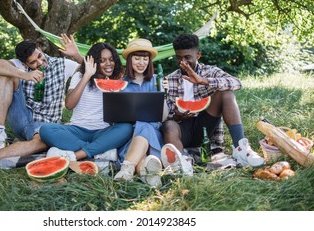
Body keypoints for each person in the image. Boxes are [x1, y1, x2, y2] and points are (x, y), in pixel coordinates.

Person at [0, 34, 84, 172]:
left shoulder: (62, 64)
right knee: (6, 75)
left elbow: (87, 69)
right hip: (21, 117)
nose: (40, 63)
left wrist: (76, 55)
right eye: (33, 62)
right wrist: (24, 74)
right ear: (24, 64)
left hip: (46, 124)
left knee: (41, 142)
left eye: (40, 56)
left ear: (41, 49)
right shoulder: (20, 66)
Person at [160, 33, 265, 170]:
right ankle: (181, 163)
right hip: (181, 129)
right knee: (168, 125)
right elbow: (165, 113)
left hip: (205, 126)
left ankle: (241, 149)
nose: (183, 63)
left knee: (226, 93)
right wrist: (176, 115)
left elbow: (237, 83)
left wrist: (203, 80)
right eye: (179, 58)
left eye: (187, 57)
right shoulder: (170, 79)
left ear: (198, 55)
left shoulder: (210, 71)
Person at [38, 42, 133, 164]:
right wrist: (87, 76)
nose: (109, 64)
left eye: (111, 59)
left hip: (102, 132)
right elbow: (69, 105)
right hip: (77, 130)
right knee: (46, 130)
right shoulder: (79, 76)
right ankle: (99, 150)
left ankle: (77, 154)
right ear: (94, 62)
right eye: (103, 60)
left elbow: (118, 114)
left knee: (126, 128)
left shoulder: (116, 81)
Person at [113, 39, 168, 188]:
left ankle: (127, 169)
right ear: (130, 60)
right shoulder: (121, 84)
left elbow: (163, 117)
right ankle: (150, 176)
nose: (141, 62)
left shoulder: (157, 81)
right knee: (142, 126)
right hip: (129, 135)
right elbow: (115, 119)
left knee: (144, 124)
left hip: (154, 134)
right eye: (137, 58)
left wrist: (162, 94)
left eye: (145, 59)